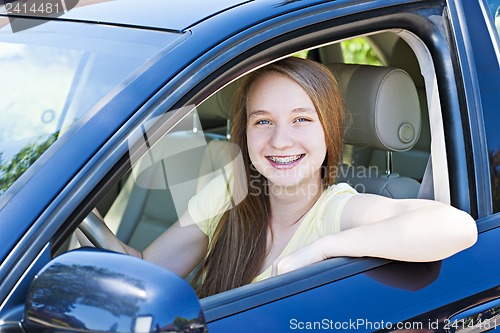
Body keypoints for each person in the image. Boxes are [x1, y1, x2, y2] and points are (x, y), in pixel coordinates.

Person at [111, 57, 478, 298]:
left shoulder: (337, 211)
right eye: (263, 121)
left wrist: (320, 250)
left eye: (301, 119)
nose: (280, 140)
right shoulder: (231, 186)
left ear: (328, 130)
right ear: (245, 131)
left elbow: (456, 226)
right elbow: (147, 272)